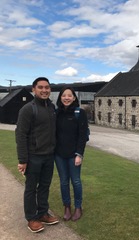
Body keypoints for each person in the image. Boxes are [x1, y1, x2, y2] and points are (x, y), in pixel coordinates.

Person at [16, 77, 59, 233]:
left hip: (49, 155)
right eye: (40, 87)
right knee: (31, 188)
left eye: (47, 87)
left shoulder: (51, 108)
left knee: (45, 187)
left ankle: (42, 213)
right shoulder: (28, 109)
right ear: (33, 89)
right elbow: (20, 135)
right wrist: (22, 160)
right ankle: (32, 218)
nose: (44, 90)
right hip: (33, 156)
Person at [55, 87, 88, 221]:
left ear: (74, 98)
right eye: (64, 95)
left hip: (74, 154)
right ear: (60, 97)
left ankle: (78, 207)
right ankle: (67, 207)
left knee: (75, 181)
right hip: (59, 154)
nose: (67, 98)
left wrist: (79, 154)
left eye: (70, 95)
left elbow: (82, 135)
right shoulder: (56, 113)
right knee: (63, 182)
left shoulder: (80, 113)